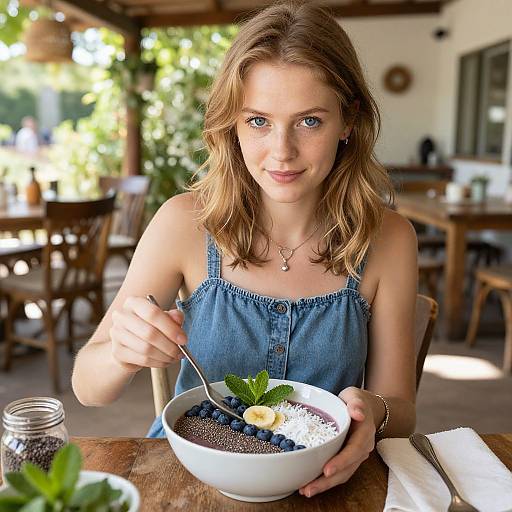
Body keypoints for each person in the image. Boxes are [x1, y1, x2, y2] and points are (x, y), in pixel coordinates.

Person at [72, 0, 417, 498]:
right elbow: (88, 386)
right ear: (231, 123)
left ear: (348, 120)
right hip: (186, 475)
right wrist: (122, 353)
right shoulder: (183, 223)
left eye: (310, 121)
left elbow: (400, 408)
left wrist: (374, 414)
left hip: (324, 483)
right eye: (258, 121)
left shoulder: (389, 239)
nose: (281, 151)